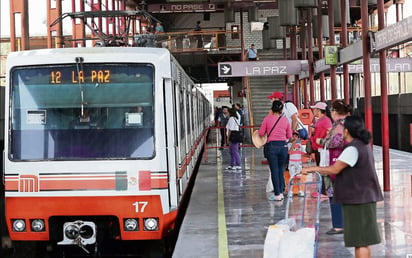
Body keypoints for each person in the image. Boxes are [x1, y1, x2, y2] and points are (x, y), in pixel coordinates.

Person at [302, 115, 383, 258]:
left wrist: (312, 169)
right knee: (363, 241)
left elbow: (335, 169)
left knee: (360, 241)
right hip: (364, 197)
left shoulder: (353, 148)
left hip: (359, 200)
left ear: (346, 131)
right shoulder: (362, 145)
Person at [317, 100, 352, 235]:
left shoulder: (339, 125)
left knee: (334, 194)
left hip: (335, 162)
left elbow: (335, 142)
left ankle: (338, 225)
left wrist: (322, 141)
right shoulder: (350, 123)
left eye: (331, 111)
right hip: (347, 162)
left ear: (335, 112)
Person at [258, 101, 292, 201]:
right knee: (281, 169)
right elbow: (289, 136)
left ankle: (277, 194)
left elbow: (261, 133)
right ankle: (281, 191)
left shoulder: (267, 119)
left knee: (274, 170)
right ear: (281, 110)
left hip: (272, 146)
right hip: (283, 147)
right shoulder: (285, 120)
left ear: (272, 109)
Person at [309, 102, 333, 166]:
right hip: (318, 148)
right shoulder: (320, 120)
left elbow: (329, 132)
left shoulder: (326, 120)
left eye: (315, 109)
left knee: (322, 168)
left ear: (318, 110)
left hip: (322, 148)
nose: (313, 111)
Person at [286, 131, 306, 197]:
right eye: (293, 136)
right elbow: (290, 152)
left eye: (296, 136)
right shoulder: (288, 145)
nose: (294, 137)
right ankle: (290, 191)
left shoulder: (300, 146)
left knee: (298, 177)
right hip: (292, 163)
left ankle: (300, 190)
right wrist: (293, 144)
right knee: (292, 177)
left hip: (299, 163)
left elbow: (303, 153)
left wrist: (309, 155)